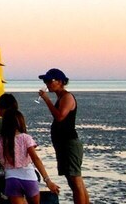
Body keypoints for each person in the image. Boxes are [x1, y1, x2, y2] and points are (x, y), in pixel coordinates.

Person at [37, 69, 90, 204]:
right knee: (74, 181)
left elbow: (60, 116)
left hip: (69, 143)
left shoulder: (67, 97)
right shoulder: (61, 97)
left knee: (75, 181)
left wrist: (46, 100)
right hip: (63, 143)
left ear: (60, 82)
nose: (47, 84)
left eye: (49, 81)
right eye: (45, 81)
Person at [0, 105, 60, 204]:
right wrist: (48, 181)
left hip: (12, 179)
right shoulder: (25, 138)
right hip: (29, 178)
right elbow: (35, 159)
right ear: (20, 122)